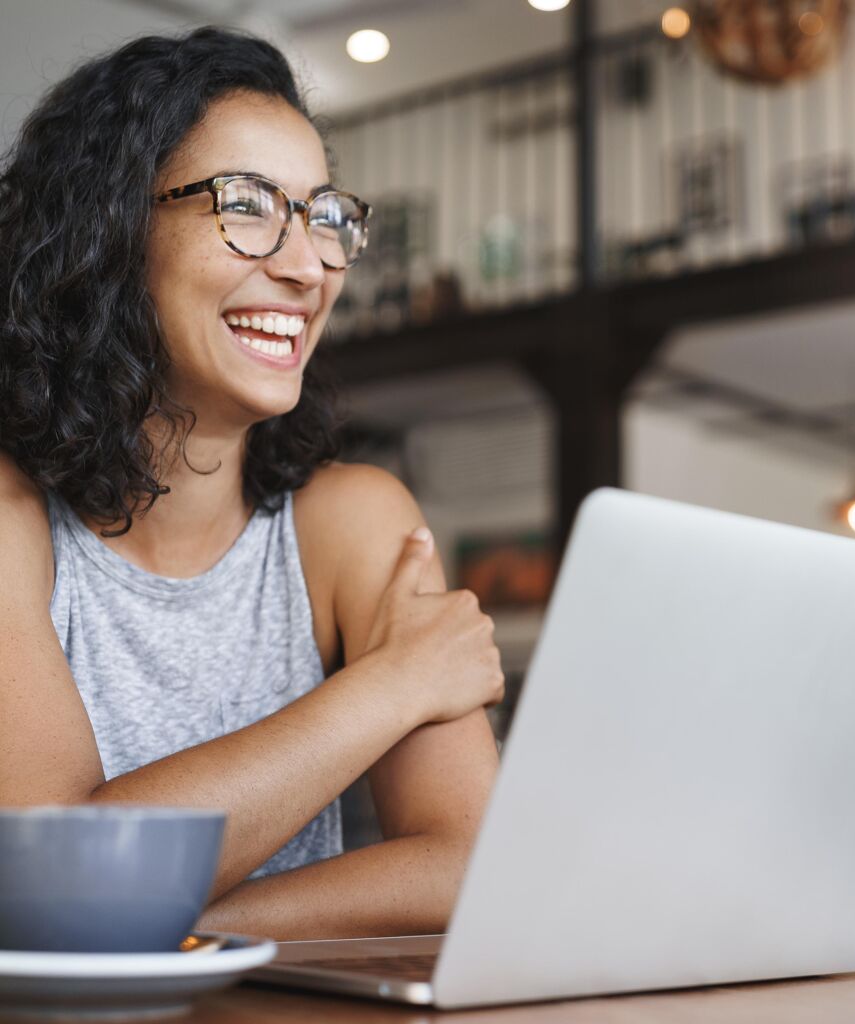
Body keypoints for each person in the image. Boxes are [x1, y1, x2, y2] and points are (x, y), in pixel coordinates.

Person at [0, 26, 503, 939]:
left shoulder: (353, 521)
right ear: (109, 230)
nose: (308, 266)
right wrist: (390, 687)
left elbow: (474, 864)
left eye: (323, 216)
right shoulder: (12, 517)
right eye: (247, 204)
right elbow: (53, 874)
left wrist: (174, 922)